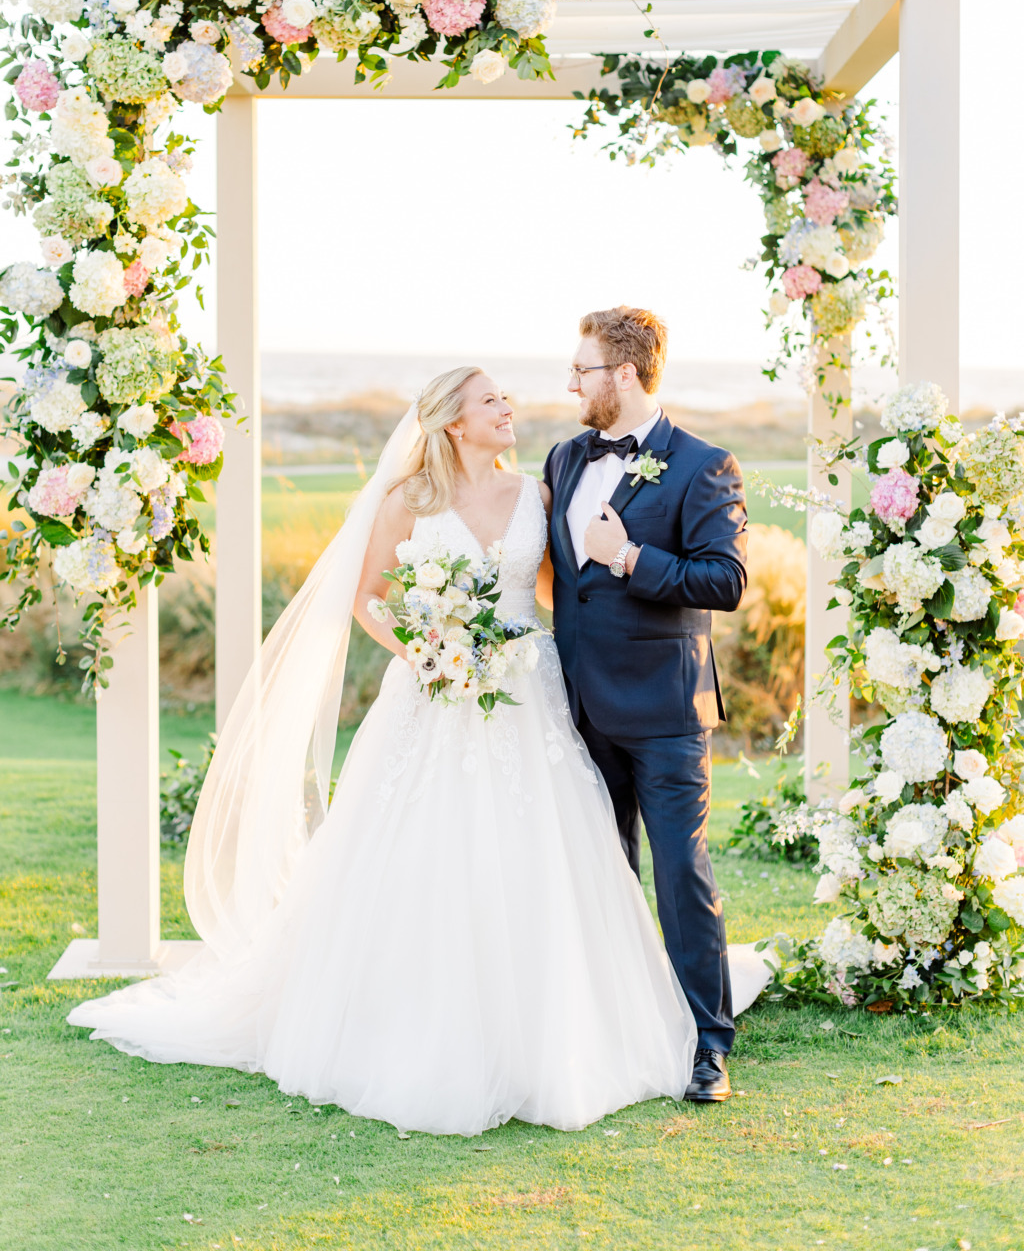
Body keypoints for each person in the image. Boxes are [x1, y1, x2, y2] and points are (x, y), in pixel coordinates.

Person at [68, 367, 707, 1136]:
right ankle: (412, 1028)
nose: (509, 409)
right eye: (491, 402)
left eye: (507, 399)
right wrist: (426, 649)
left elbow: (555, 586)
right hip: (433, 695)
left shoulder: (533, 494)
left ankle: (558, 1029)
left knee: (539, 855)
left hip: (522, 695)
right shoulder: (410, 499)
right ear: (452, 423)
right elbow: (368, 596)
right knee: (422, 855)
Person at [543, 307, 749, 1103]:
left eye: (583, 369)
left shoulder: (703, 465)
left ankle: (707, 1044)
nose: (571, 383)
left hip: (667, 711)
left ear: (623, 375)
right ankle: (616, 1026)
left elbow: (722, 581)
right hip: (577, 708)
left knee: (680, 876)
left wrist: (629, 556)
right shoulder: (563, 459)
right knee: (601, 870)